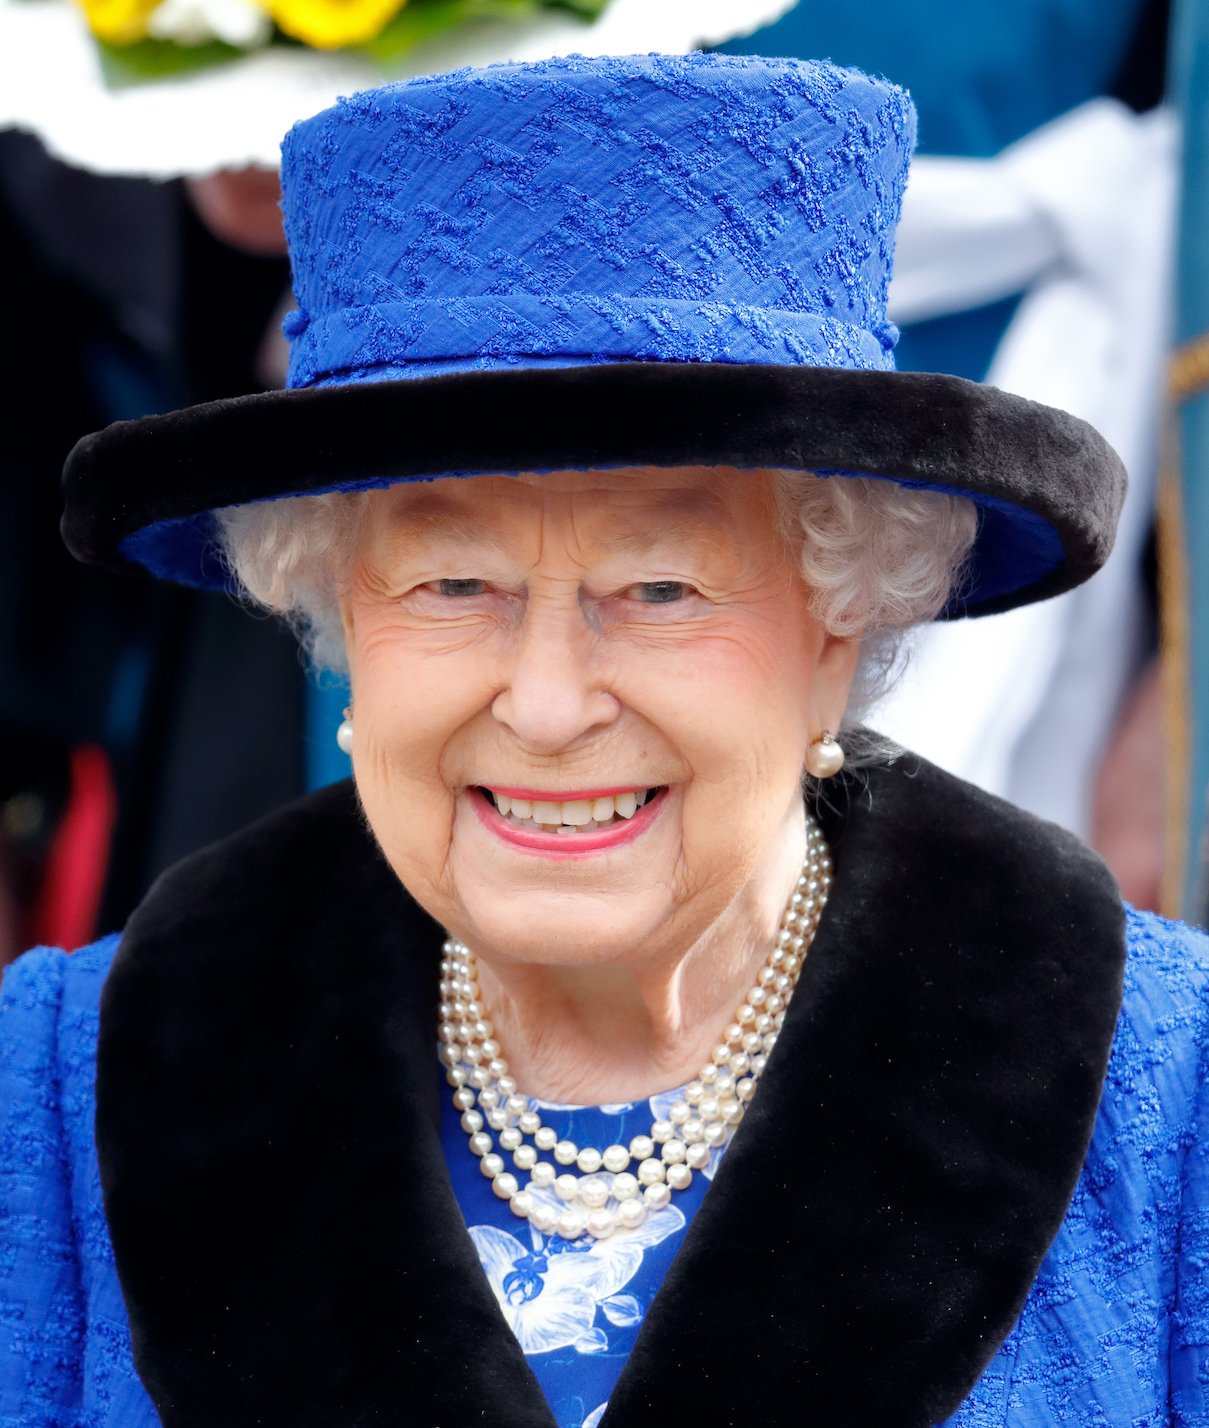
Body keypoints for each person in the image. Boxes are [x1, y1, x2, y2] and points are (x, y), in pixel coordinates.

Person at [2, 53, 1206, 1427]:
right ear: (339, 623)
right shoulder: (53, 1093)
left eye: (658, 589)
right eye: (454, 587)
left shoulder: (1173, 1100)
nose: (548, 702)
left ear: (837, 633)